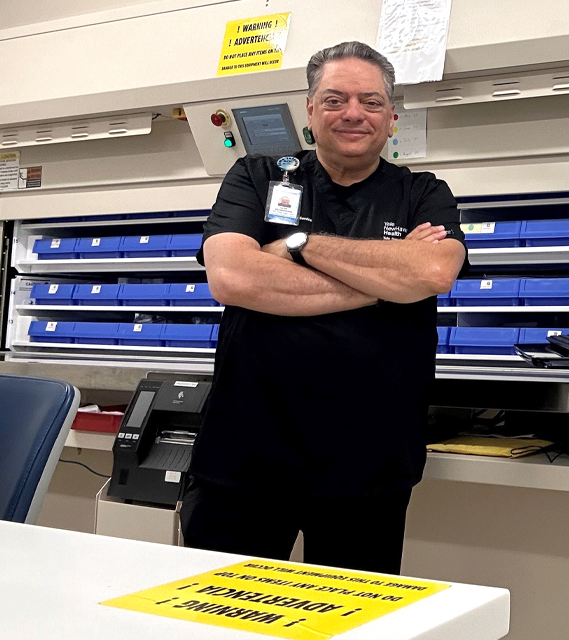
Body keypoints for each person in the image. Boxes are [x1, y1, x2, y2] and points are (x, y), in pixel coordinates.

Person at [180, 41, 468, 575]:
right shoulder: (257, 176)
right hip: (244, 460)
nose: (353, 113)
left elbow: (431, 273)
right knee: (216, 624)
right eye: (335, 100)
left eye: (371, 101)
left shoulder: (423, 193)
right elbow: (232, 275)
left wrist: (294, 244)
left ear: (391, 117)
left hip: (368, 467)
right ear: (310, 111)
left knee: (349, 629)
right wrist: (385, 283)